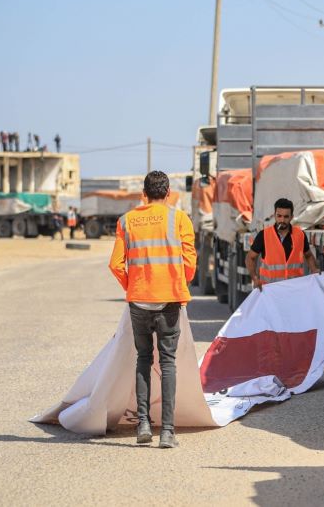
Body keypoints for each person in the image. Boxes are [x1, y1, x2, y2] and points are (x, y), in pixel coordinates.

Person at [108, 171, 196, 449]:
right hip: (169, 299)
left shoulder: (126, 221)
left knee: (143, 359)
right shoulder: (180, 219)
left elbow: (116, 264)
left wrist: (132, 286)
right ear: (168, 193)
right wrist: (179, 282)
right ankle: (167, 432)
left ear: (144, 194)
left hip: (139, 301)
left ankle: (143, 424)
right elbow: (190, 263)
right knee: (167, 363)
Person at [245, 198, 319, 290]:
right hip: (270, 290)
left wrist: (314, 269)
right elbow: (250, 258)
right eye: (279, 216)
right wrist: (255, 278)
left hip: (294, 290)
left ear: (292, 217)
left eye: (286, 217)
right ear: (274, 215)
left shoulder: (300, 235)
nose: (282, 220)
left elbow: (308, 255)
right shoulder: (264, 235)